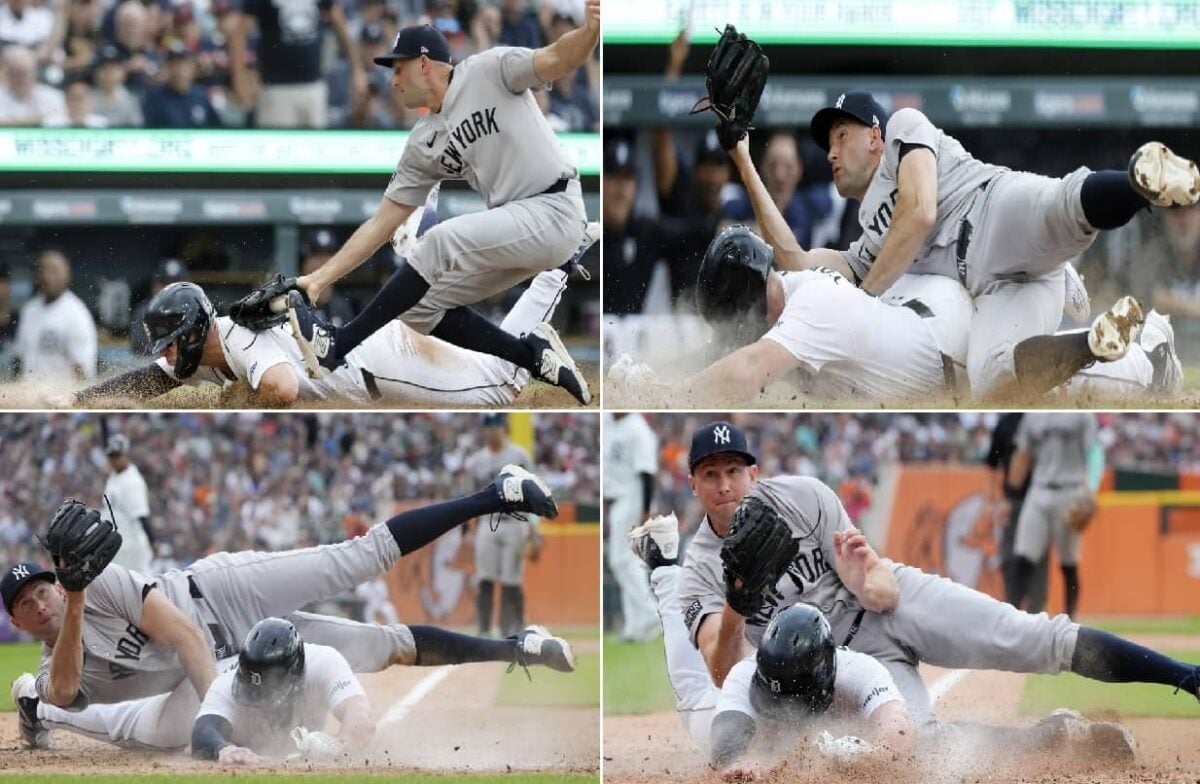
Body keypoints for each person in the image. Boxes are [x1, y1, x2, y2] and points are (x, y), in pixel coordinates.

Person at [675, 420, 1200, 724]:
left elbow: (880, 587)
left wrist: (867, 582)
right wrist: (737, 601)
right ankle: (1052, 737)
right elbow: (725, 676)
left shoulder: (803, 496)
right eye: (711, 474)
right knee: (915, 746)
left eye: (734, 471)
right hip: (836, 668)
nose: (726, 484)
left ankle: (1187, 677)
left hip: (891, 608)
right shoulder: (697, 569)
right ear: (694, 485)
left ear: (754, 472)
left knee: (1036, 636)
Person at [5, 471, 573, 750]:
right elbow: (68, 684)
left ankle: (494, 496)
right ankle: (34, 709)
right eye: (25, 604)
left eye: (44, 589)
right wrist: (72, 607)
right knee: (148, 731)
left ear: (57, 582)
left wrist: (230, 730)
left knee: (354, 559)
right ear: (18, 623)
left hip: (221, 598)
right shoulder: (70, 636)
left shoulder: (100, 583)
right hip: (204, 672)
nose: (40, 602)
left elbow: (185, 636)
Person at [628, 513, 1135, 774]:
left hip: (844, 722)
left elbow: (898, 736)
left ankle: (1052, 736)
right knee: (697, 698)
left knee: (928, 749)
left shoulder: (861, 671)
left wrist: (866, 756)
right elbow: (724, 747)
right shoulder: (746, 677)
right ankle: (663, 566)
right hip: (754, 725)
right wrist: (744, 766)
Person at [277, 9, 599, 405]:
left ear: (424, 63)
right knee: (418, 306)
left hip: (556, 208)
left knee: (440, 241)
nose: (392, 79)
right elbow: (381, 223)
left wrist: (589, 32)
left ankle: (338, 346)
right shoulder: (422, 142)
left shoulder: (487, 70)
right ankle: (533, 357)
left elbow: (557, 58)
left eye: (398, 68)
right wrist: (320, 279)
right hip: (519, 228)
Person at [785, 90, 1198, 397]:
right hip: (999, 289)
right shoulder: (870, 235)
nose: (831, 153)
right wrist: (743, 158)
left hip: (990, 211)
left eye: (840, 136)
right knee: (991, 379)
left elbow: (920, 212)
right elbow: (797, 261)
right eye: (828, 145)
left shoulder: (902, 129)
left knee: (1060, 205)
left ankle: (1141, 183)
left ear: (874, 136)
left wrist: (862, 300)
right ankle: (1114, 349)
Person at [60, 245, 589, 408]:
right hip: (366, 349)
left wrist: (236, 401)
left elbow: (283, 389)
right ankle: (549, 284)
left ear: (195, 334)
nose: (169, 358)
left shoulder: (238, 342)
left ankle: (557, 272)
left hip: (378, 366)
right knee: (497, 372)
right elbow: (145, 380)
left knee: (503, 386)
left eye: (173, 347)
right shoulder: (202, 348)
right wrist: (83, 402)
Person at [192, 618, 374, 764]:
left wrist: (338, 749)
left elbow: (360, 718)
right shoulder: (225, 682)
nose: (263, 704)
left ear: (296, 673)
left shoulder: (324, 662)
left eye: (269, 691)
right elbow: (203, 730)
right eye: (254, 691)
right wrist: (226, 749)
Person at [1007, 413, 1101, 619]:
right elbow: (1023, 452)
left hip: (1070, 489)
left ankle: (1070, 619)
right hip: (1038, 488)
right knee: (1023, 556)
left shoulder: (1082, 413)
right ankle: (1009, 617)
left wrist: (1091, 489)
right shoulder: (1033, 414)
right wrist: (1009, 494)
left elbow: (1094, 452)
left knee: (1068, 562)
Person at [225, 0, 366, 128]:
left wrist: (357, 68)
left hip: (314, 85)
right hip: (276, 88)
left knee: (316, 150)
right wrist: (239, 76)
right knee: (278, 150)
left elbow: (339, 21)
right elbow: (239, 31)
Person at [465, 413, 539, 637]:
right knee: (485, 577)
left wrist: (533, 529)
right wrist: (469, 530)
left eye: (494, 426)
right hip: (488, 521)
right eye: (487, 427)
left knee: (511, 579)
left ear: (503, 429)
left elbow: (533, 493)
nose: (490, 431)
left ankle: (512, 628)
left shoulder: (518, 455)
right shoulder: (477, 461)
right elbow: (471, 498)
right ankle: (484, 629)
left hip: (516, 521)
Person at [602, 412, 660, 642]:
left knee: (620, 560)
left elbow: (647, 474)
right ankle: (635, 628)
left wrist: (646, 510)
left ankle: (651, 613)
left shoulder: (638, 430)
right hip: (617, 497)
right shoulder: (607, 419)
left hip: (632, 496)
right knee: (631, 563)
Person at [985, 413, 1047, 612]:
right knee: (1009, 557)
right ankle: (1011, 610)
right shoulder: (1006, 424)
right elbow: (992, 464)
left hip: (1039, 497)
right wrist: (994, 500)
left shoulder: (1045, 419)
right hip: (1013, 501)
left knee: (1038, 560)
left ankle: (1036, 613)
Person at [14, 248, 98, 384]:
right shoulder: (29, 309)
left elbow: (84, 372)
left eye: (53, 270)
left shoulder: (77, 314)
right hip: (28, 397)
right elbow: (20, 360)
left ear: (67, 275)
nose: (47, 276)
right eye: (42, 270)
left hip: (58, 400)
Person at [101, 434, 154, 576]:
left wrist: (152, 541)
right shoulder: (115, 475)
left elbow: (142, 516)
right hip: (118, 544)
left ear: (126, 455)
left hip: (132, 544)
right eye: (111, 456)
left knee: (140, 585)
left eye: (118, 455)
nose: (114, 460)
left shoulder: (132, 481)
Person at [141, 43, 221, 128]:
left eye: (184, 66)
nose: (179, 72)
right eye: (174, 66)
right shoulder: (154, 98)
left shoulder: (201, 96)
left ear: (193, 68)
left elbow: (216, 129)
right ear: (166, 68)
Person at [300, 230, 356, 328]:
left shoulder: (343, 307)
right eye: (316, 255)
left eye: (328, 255)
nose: (323, 262)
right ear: (305, 262)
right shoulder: (293, 305)